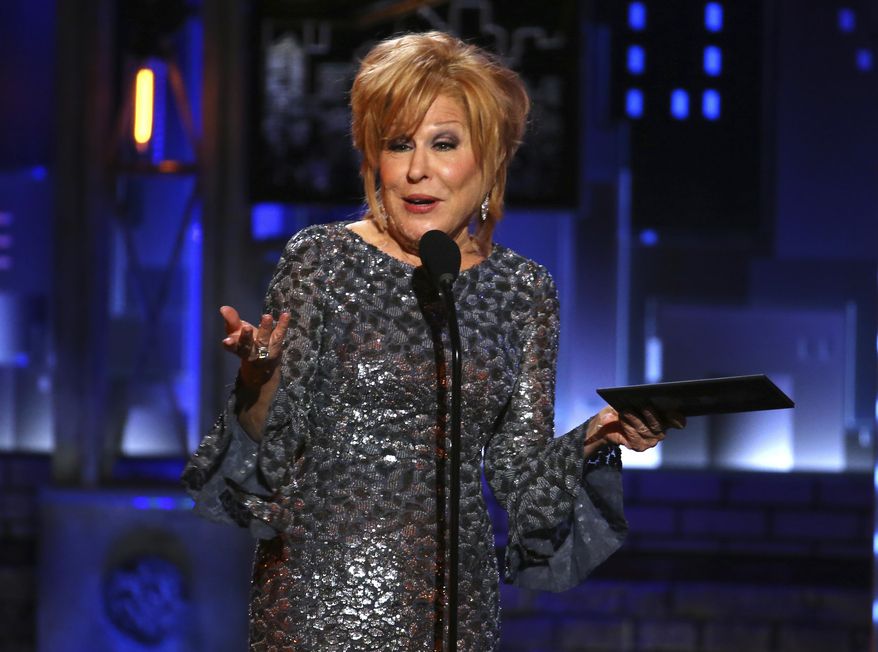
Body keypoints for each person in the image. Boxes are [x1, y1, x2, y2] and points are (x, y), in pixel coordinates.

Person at [182, 31, 683, 652]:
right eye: (399, 145)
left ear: (492, 157)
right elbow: (267, 457)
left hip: (457, 607)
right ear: (375, 159)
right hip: (322, 603)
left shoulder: (524, 291)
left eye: (443, 143)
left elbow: (521, 483)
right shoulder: (323, 261)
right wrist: (259, 380)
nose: (417, 169)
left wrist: (596, 437)